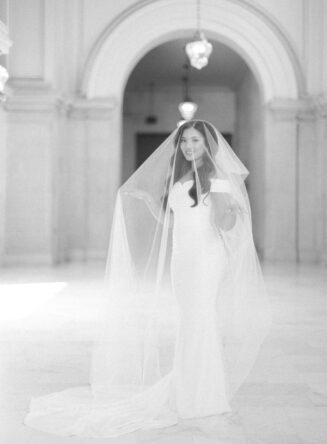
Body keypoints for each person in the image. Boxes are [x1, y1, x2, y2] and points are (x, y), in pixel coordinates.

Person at [24, 119, 272, 437]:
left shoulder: (218, 179)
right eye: (185, 141)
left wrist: (231, 212)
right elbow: (173, 221)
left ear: (207, 144)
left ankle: (204, 396)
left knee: (201, 319)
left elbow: (223, 226)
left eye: (195, 141)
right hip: (182, 258)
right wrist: (151, 203)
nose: (189, 146)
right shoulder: (182, 176)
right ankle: (187, 387)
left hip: (206, 258)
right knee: (188, 320)